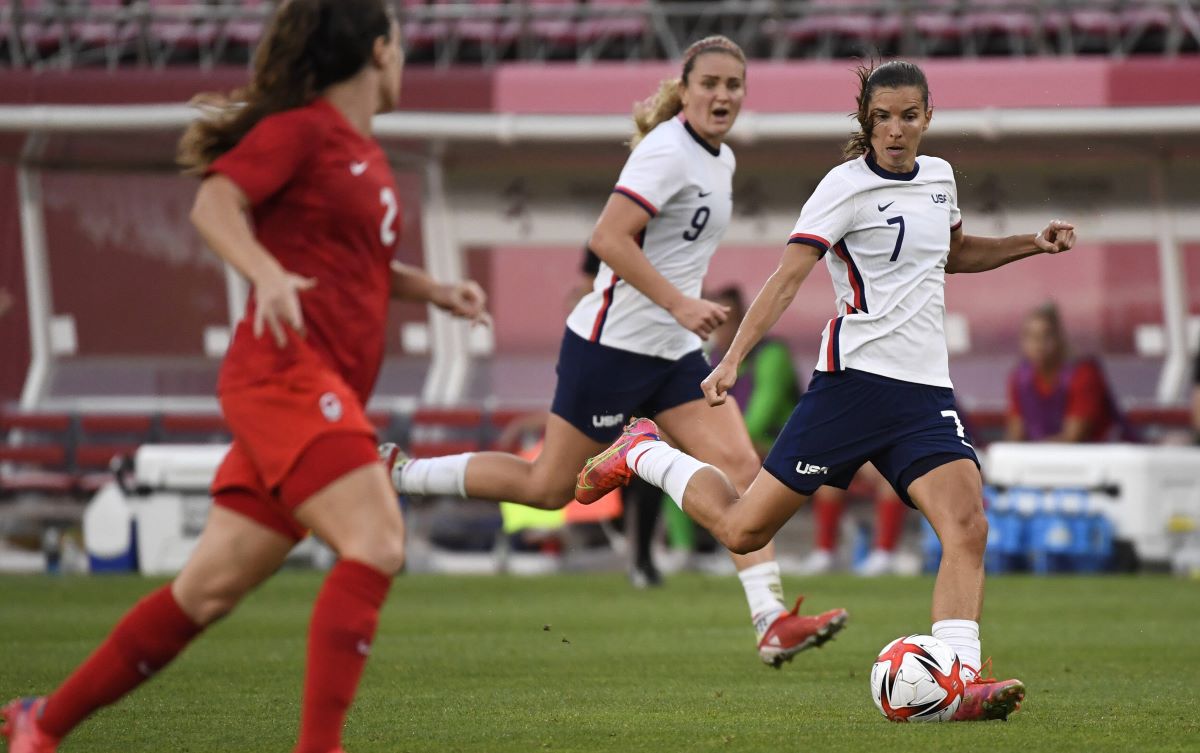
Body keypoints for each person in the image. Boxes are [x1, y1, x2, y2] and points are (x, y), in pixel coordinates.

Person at [2, 3, 489, 752]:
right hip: (285, 378)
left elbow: (356, 266)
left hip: (309, 390)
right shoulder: (301, 131)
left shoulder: (362, 153)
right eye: (402, 48)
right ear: (381, 51)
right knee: (376, 537)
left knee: (207, 589)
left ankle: (43, 722)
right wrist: (264, 273)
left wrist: (434, 291)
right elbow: (213, 202)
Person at [577, 60, 1079, 721]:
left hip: (924, 393)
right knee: (742, 525)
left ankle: (956, 683)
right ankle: (643, 449)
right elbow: (786, 279)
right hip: (852, 387)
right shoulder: (842, 187)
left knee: (967, 524)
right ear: (866, 122)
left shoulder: (939, 178)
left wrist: (1029, 244)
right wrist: (732, 359)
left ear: (928, 116)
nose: (896, 130)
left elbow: (950, 254)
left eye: (908, 116)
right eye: (882, 118)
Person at [382, 35, 847, 667]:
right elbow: (607, 237)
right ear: (685, 90)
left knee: (743, 467)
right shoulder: (664, 150)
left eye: (733, 85)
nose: (722, 95)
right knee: (550, 488)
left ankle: (769, 620)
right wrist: (682, 303)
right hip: (610, 349)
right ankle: (401, 475)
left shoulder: (722, 161)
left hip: (673, 353)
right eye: (709, 82)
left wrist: (682, 315)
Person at [1006, 302, 1130, 443]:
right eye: (1031, 337)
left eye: (1046, 336)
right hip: (1042, 457)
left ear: (1059, 339)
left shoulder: (1084, 374)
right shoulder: (1019, 378)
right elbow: (1015, 435)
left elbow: (1073, 438)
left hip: (1104, 457)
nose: (1038, 345)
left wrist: (1029, 454)